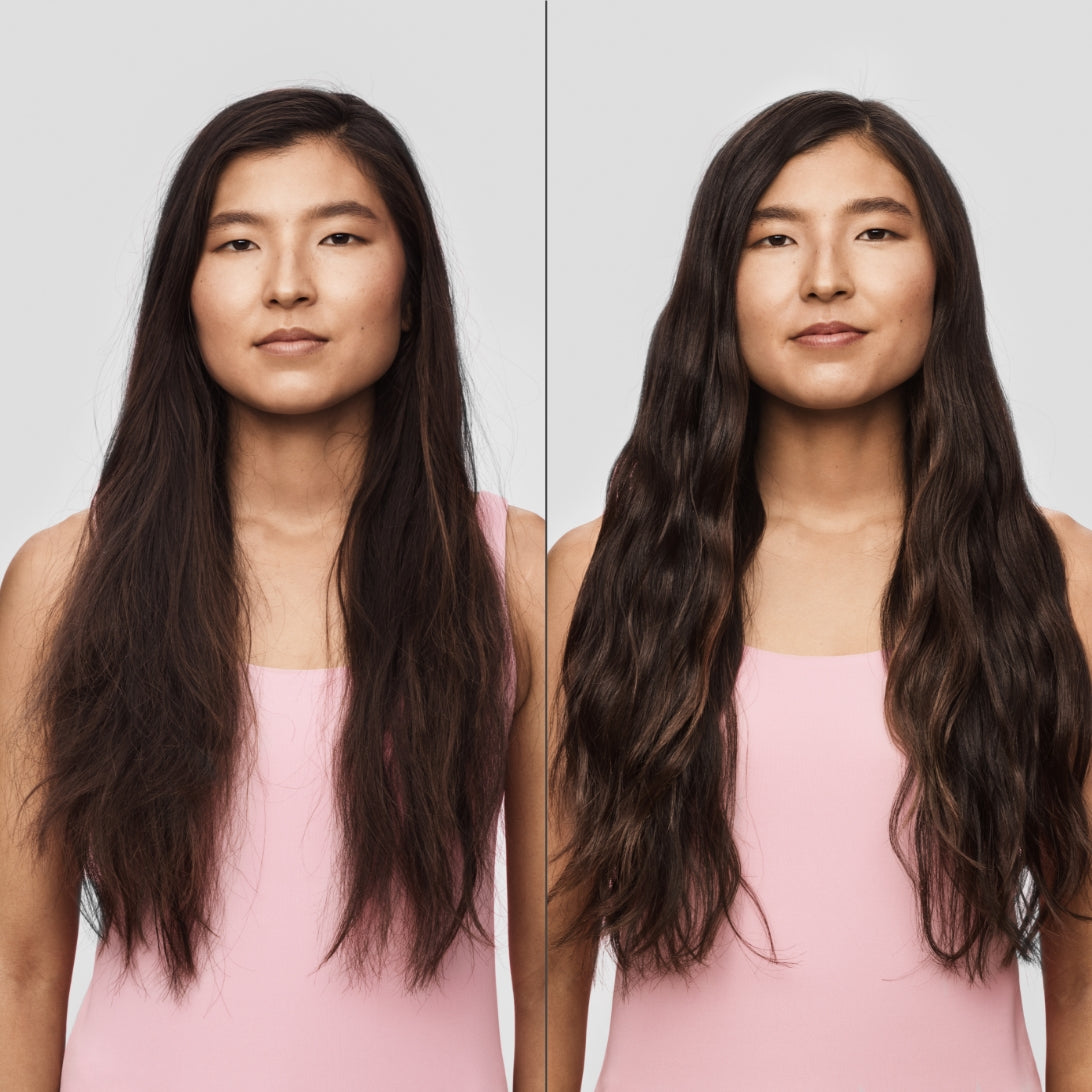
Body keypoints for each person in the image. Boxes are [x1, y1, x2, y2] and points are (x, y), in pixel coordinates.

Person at [0, 88, 545, 1090]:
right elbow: (22, 969)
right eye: (239, 244)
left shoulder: (517, 578)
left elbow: (552, 972)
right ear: (186, 293)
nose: (287, 285)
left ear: (412, 286)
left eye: (338, 238)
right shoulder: (61, 582)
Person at [547, 90, 1092, 1090]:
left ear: (943, 275)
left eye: (876, 231)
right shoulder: (595, 577)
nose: (827, 278)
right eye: (774, 240)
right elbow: (551, 961)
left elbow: (1086, 978)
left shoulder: (1058, 579)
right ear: (719, 285)